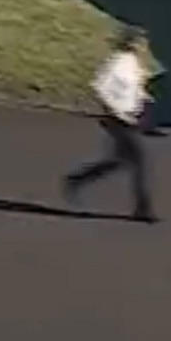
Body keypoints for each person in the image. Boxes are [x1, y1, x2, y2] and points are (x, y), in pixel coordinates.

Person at [63, 26, 159, 223]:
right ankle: (143, 209)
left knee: (120, 160)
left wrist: (143, 98)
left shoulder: (133, 63)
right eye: (141, 42)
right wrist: (116, 110)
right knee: (140, 161)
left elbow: (133, 87)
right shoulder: (117, 64)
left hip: (131, 118)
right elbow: (100, 87)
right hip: (117, 119)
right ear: (132, 43)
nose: (144, 46)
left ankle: (77, 179)